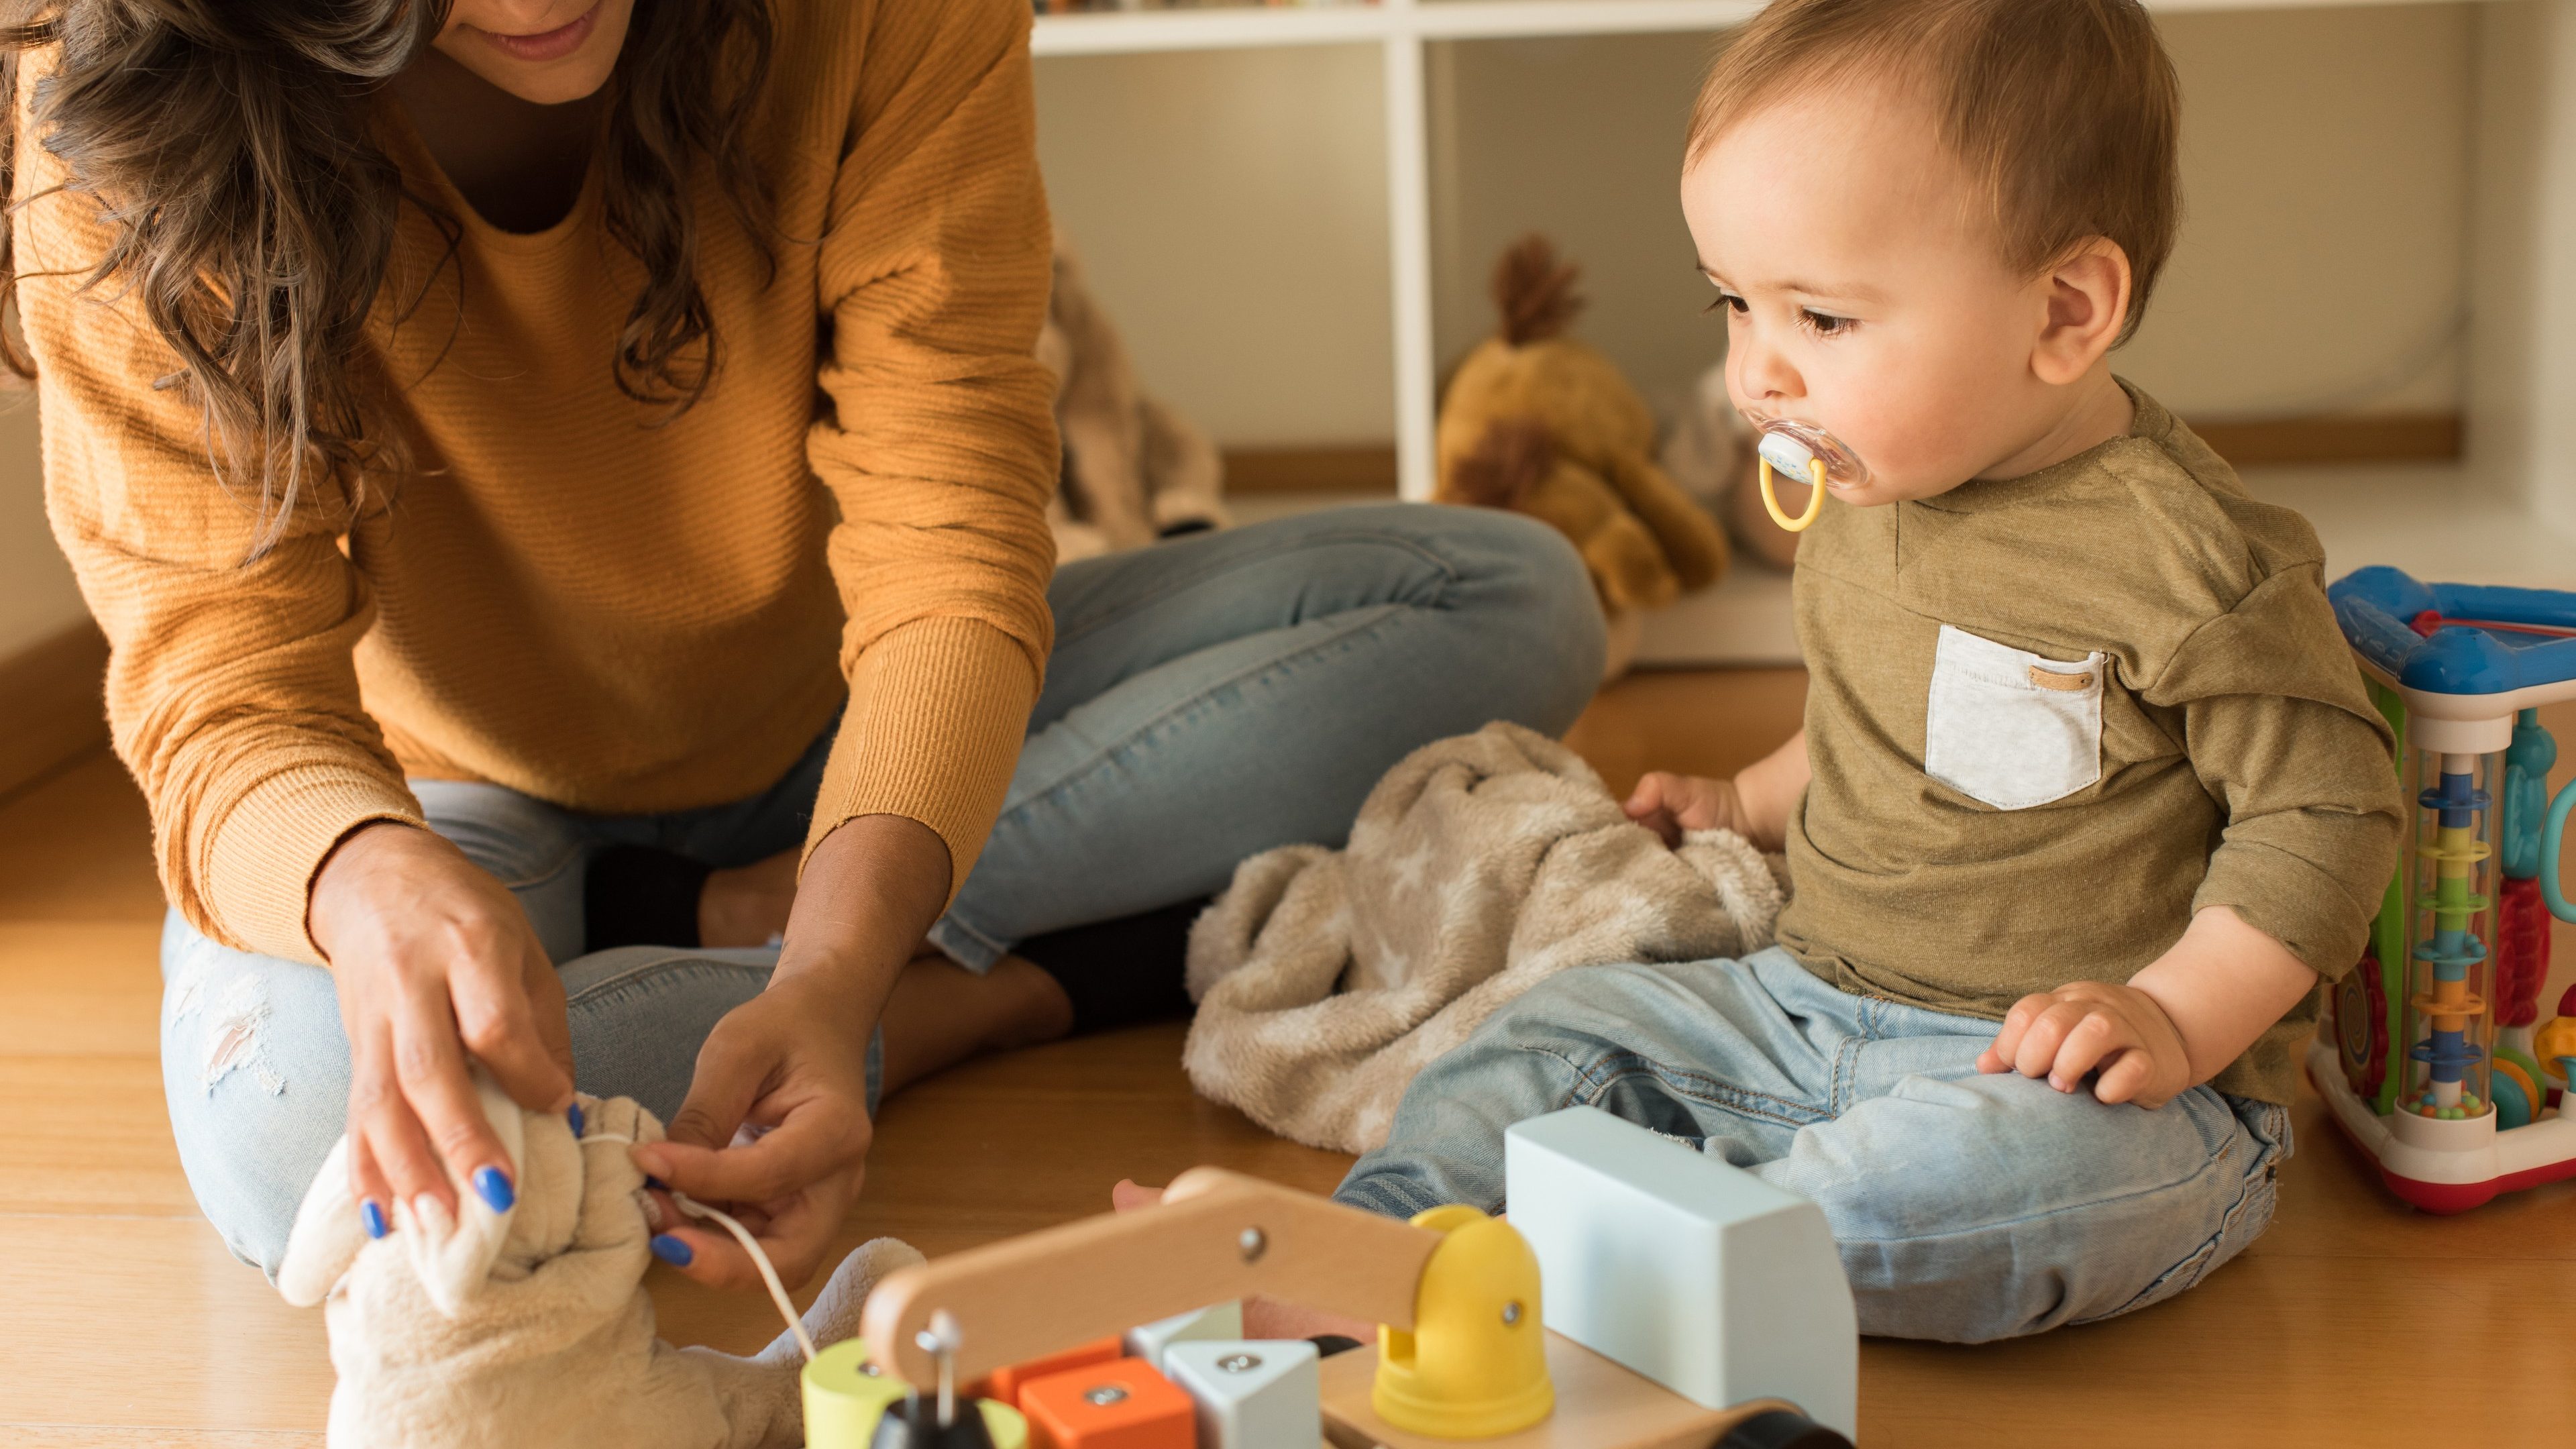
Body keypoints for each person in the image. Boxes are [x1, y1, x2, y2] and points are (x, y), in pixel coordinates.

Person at [11, 0, 1603, 1294]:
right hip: (442, 800)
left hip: (854, 709)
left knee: (1514, 598)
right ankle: (981, 987)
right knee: (309, 1148)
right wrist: (365, 880)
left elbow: (953, 547)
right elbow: (224, 691)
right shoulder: (123, 124)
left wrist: (836, 965)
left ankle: (775, 944)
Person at [1320, 0, 2408, 1341]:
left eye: (1823, 319)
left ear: (2066, 310)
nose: (1755, 380)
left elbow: (2332, 813)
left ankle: (1649, 1246)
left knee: (1970, 1193)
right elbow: (1889, 721)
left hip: (2079, 1091)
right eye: (1734, 303)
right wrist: (1742, 804)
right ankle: (1364, 1253)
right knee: (1547, 1039)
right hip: (1800, 1003)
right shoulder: (1880, 478)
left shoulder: (2192, 560)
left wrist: (2171, 1020)